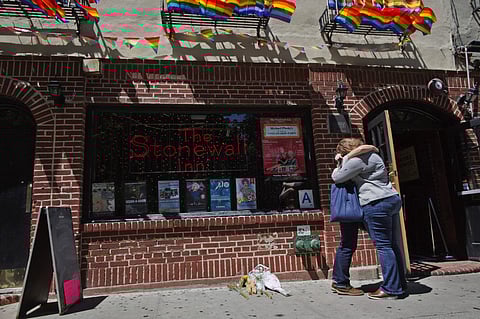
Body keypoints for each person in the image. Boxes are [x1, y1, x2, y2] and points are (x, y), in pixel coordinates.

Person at [331, 138, 407, 300]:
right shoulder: (373, 155)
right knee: (391, 244)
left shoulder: (357, 160)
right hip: (391, 198)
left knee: (384, 246)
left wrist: (341, 161)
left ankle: (391, 289)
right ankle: (399, 283)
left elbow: (337, 177)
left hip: (375, 202)